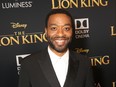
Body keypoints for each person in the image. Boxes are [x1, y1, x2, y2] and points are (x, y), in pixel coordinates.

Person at [18, 9, 95, 87]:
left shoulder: (84, 62)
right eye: (54, 28)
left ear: (72, 31)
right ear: (46, 31)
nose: (60, 34)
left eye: (66, 28)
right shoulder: (28, 64)